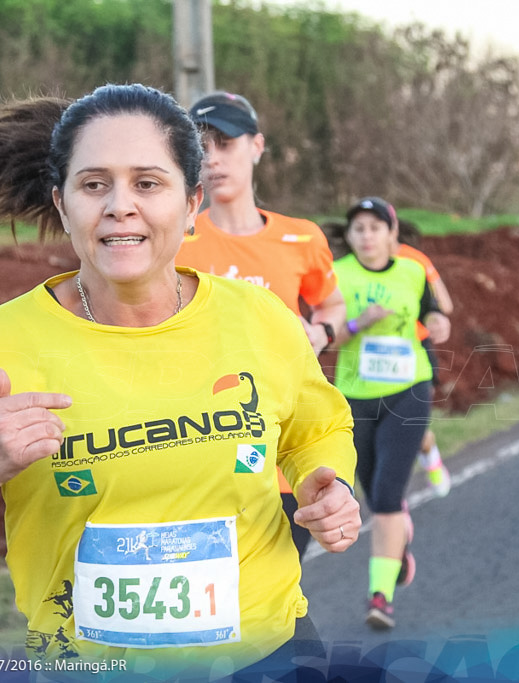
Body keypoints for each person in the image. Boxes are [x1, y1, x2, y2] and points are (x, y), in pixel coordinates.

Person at [0, 84, 362, 680]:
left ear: (191, 204)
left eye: (148, 184)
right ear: (61, 203)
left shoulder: (259, 321)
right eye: (94, 184)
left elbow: (318, 427)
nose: (119, 206)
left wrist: (323, 484)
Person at [177, 91, 347, 558]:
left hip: (281, 455)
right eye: (201, 147)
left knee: (270, 602)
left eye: (226, 143)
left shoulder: (301, 237)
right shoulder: (176, 241)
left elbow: (332, 305)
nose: (213, 159)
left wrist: (322, 333)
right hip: (198, 451)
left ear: (256, 146)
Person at [329, 196, 450, 629]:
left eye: (375, 227)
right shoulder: (336, 276)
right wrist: (361, 322)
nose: (366, 236)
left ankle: (379, 597)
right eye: (358, 229)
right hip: (354, 395)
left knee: (383, 497)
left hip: (408, 389)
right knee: (377, 493)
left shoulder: (413, 271)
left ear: (392, 233)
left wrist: (439, 325)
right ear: (349, 236)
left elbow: (434, 316)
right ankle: (399, 540)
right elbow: (326, 339)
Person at [395, 220, 452, 497]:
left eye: (377, 226)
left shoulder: (414, 259)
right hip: (364, 360)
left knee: (414, 422)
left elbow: (445, 304)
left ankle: (430, 454)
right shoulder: (351, 265)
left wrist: (432, 316)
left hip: (414, 349)